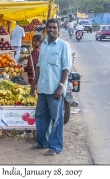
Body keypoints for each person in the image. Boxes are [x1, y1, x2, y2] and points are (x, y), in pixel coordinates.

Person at [31, 18, 72, 156]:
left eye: (54, 27)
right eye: (49, 27)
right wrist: (34, 84)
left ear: (58, 29)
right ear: (46, 29)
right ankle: (42, 142)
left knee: (57, 119)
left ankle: (55, 147)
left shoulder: (63, 46)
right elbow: (38, 67)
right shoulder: (43, 46)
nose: (52, 30)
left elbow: (66, 68)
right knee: (41, 117)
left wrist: (60, 87)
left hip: (55, 90)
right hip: (42, 88)